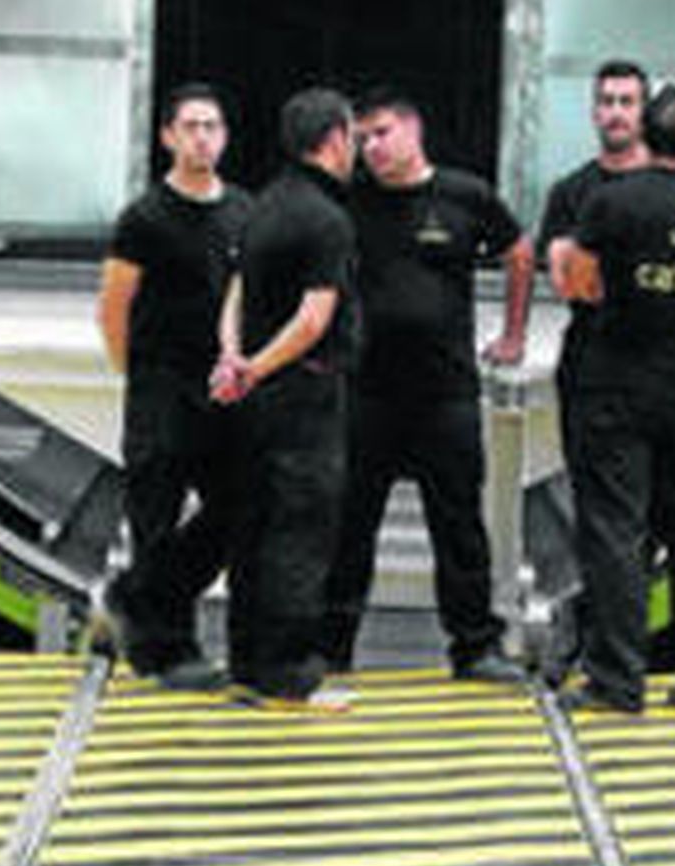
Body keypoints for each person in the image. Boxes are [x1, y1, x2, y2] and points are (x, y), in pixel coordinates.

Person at [322, 92, 533, 681]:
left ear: (414, 131)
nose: (371, 147)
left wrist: (514, 334)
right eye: (362, 138)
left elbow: (519, 251)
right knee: (348, 526)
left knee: (458, 524)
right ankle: (329, 647)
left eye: (381, 133)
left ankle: (475, 648)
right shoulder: (349, 199)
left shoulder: (464, 195)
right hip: (367, 392)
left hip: (446, 393)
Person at [555, 80, 675, 715]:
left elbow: (580, 286)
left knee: (615, 530)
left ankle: (617, 679)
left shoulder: (614, 202)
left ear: (645, 133)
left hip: (619, 386)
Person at [95, 83, 250, 688]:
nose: (202, 137)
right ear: (167, 136)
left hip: (220, 387)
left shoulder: (243, 211)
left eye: (212, 126)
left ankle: (136, 595)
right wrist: (134, 375)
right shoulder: (144, 218)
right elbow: (113, 307)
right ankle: (170, 650)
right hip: (161, 386)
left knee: (237, 507)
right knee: (154, 518)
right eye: (190, 126)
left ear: (225, 136)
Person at [211, 86, 360, 710]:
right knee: (301, 532)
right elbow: (313, 318)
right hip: (302, 394)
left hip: (254, 401)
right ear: (335, 140)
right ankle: (291, 673)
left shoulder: (262, 205)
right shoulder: (327, 219)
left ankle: (246, 663)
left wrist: (233, 357)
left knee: (252, 527)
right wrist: (257, 367)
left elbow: (237, 292)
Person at [538, 58, 651, 683]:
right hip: (591, 367)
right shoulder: (572, 192)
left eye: (626, 102)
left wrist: (600, 270)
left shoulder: (670, 188)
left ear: (644, 111)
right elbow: (573, 286)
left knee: (644, 517)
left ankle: (620, 648)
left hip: (654, 372)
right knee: (594, 511)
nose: (615, 112)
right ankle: (588, 637)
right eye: (606, 101)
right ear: (592, 110)